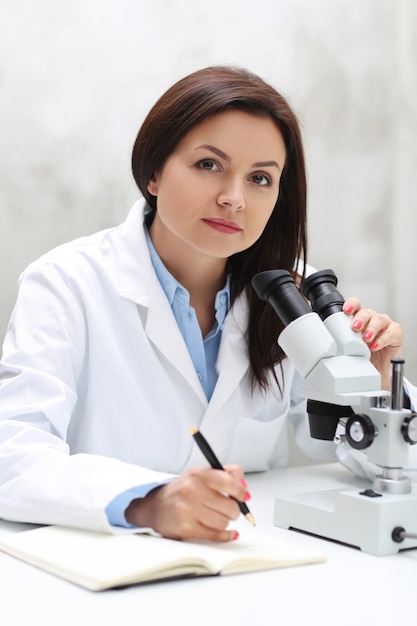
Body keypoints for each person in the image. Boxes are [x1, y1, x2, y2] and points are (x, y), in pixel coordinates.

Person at [0, 66, 414, 543]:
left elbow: (359, 458)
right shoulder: (65, 283)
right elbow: (14, 456)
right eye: (209, 165)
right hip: (108, 573)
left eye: (260, 178)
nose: (233, 198)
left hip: (252, 568)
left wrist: (379, 388)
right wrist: (149, 502)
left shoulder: (292, 297)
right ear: (153, 172)